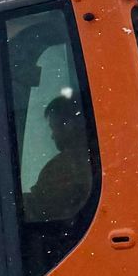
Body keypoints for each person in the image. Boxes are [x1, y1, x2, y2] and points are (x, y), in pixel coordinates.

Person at [24, 92, 93, 225]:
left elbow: (41, 205)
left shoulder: (62, 167)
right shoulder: (91, 159)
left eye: (53, 128)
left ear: (68, 125)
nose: (52, 136)